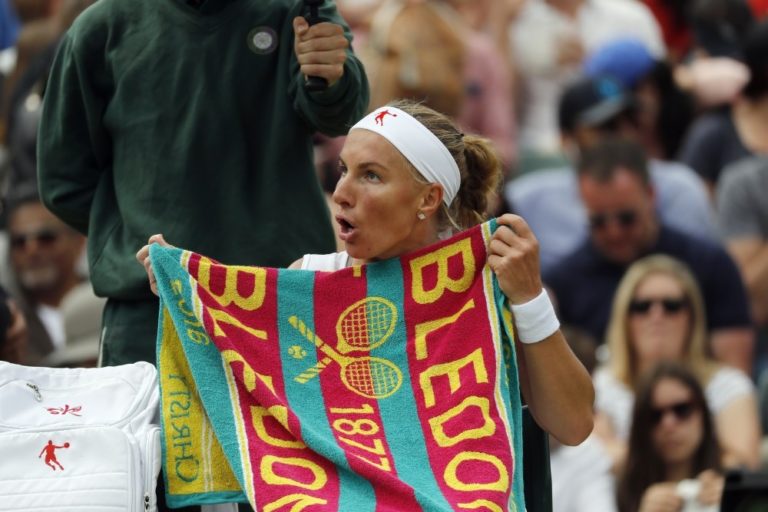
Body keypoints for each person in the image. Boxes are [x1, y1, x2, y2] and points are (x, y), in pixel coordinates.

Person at [138, 99, 596, 509]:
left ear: (427, 198)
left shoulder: (492, 283)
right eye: (343, 170)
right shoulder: (309, 277)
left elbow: (573, 425)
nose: (342, 192)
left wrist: (530, 299)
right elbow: (236, 407)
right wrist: (185, 296)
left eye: (371, 175)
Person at [37, 0, 370, 369]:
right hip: (152, 307)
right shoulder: (102, 27)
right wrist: (133, 238)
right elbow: (63, 179)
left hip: (281, 301)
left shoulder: (297, 8)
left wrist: (331, 77)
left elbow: (343, 115)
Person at [543, 137, 754, 374]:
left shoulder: (711, 265)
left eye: (626, 218)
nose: (614, 232)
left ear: (651, 195)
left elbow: (735, 372)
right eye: (598, 222)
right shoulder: (563, 283)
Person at [505, 75, 716, 274]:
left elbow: (700, 273)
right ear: (566, 138)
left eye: (631, 120)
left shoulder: (680, 187)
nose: (624, 133)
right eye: (607, 126)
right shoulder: (528, 199)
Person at [593, 254, 760, 472]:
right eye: (642, 306)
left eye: (671, 306)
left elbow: (744, 463)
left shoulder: (729, 385)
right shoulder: (603, 386)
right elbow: (595, 459)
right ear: (624, 317)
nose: (656, 315)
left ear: (692, 317)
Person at [4, 182, 103, 366]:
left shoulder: (107, 303)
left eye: (46, 238)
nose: (32, 250)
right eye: (19, 241)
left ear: (80, 242)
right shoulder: (9, 321)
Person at [616, 361, 725, 512]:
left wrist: (732, 503)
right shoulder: (618, 491)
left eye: (682, 410)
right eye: (654, 416)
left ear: (703, 414)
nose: (669, 424)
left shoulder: (730, 482)